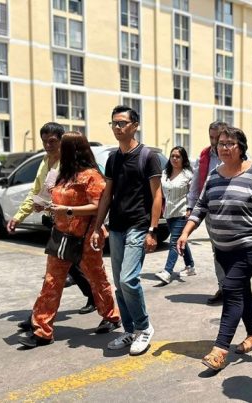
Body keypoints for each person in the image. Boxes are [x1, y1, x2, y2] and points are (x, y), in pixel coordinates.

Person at [177, 126, 252, 371]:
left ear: (241, 147)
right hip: (222, 248)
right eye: (221, 144)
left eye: (230, 143)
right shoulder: (214, 175)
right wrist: (186, 232)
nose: (224, 148)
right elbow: (201, 206)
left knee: (231, 289)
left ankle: (220, 349)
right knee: (241, 289)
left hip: (251, 244)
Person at [18, 132, 121, 348]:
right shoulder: (62, 174)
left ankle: (111, 316)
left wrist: (68, 210)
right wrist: (43, 206)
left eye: (62, 146)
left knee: (97, 279)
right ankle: (42, 331)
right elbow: (52, 199)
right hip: (61, 236)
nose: (56, 150)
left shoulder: (91, 176)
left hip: (86, 238)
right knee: (51, 282)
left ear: (73, 149)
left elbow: (98, 206)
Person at [90, 105, 162, 356]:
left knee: (128, 279)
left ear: (135, 125)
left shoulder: (148, 156)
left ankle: (144, 327)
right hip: (117, 227)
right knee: (120, 285)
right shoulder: (113, 159)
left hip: (138, 225)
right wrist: (97, 227)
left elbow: (157, 195)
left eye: (122, 123)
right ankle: (131, 330)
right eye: (114, 123)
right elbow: (107, 194)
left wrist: (153, 230)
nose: (117, 127)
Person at [10, 123, 95, 334]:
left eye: (52, 141)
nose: (47, 145)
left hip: (75, 225)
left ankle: (108, 311)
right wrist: (19, 216)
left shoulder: (73, 164)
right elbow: (37, 192)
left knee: (87, 270)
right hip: (56, 222)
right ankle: (39, 320)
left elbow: (83, 197)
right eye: (44, 141)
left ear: (62, 141)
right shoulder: (45, 162)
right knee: (57, 275)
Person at [187, 121, 229, 304]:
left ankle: (236, 287)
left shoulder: (235, 152)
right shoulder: (204, 156)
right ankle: (224, 288)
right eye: (211, 137)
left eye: (217, 137)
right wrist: (191, 207)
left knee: (234, 250)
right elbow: (196, 184)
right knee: (217, 250)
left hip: (232, 210)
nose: (213, 141)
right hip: (211, 212)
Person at [155, 146, 195, 285]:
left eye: (178, 156)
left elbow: (193, 194)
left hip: (182, 213)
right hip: (168, 213)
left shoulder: (188, 175)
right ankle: (190, 266)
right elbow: (161, 193)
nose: (175, 159)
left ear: (183, 159)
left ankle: (167, 272)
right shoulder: (165, 173)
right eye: (172, 156)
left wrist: (191, 209)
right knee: (180, 240)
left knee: (174, 242)